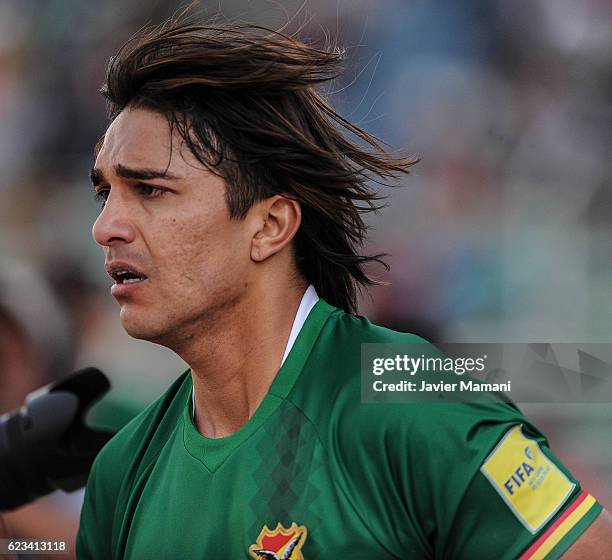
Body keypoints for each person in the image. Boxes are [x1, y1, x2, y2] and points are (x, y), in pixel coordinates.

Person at [76, 18, 611, 559]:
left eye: (149, 189)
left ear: (270, 226)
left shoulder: (411, 400)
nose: (106, 226)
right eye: (105, 193)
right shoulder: (121, 474)